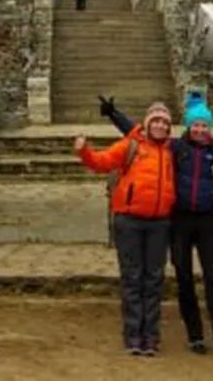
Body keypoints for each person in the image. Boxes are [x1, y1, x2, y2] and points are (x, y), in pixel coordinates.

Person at [99, 91, 213, 356]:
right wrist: (114, 114)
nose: (200, 129)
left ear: (210, 128)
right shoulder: (176, 147)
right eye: (195, 124)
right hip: (179, 220)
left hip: (206, 220)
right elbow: (139, 131)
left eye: (204, 125)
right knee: (183, 278)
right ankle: (194, 335)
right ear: (188, 127)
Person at [74, 102, 175, 357]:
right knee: (132, 278)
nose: (160, 125)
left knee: (154, 280)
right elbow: (101, 162)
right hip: (130, 221)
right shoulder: (130, 146)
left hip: (159, 223)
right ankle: (133, 335)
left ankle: (151, 336)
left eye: (164, 122)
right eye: (156, 121)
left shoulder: (172, 151)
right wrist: (84, 151)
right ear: (147, 124)